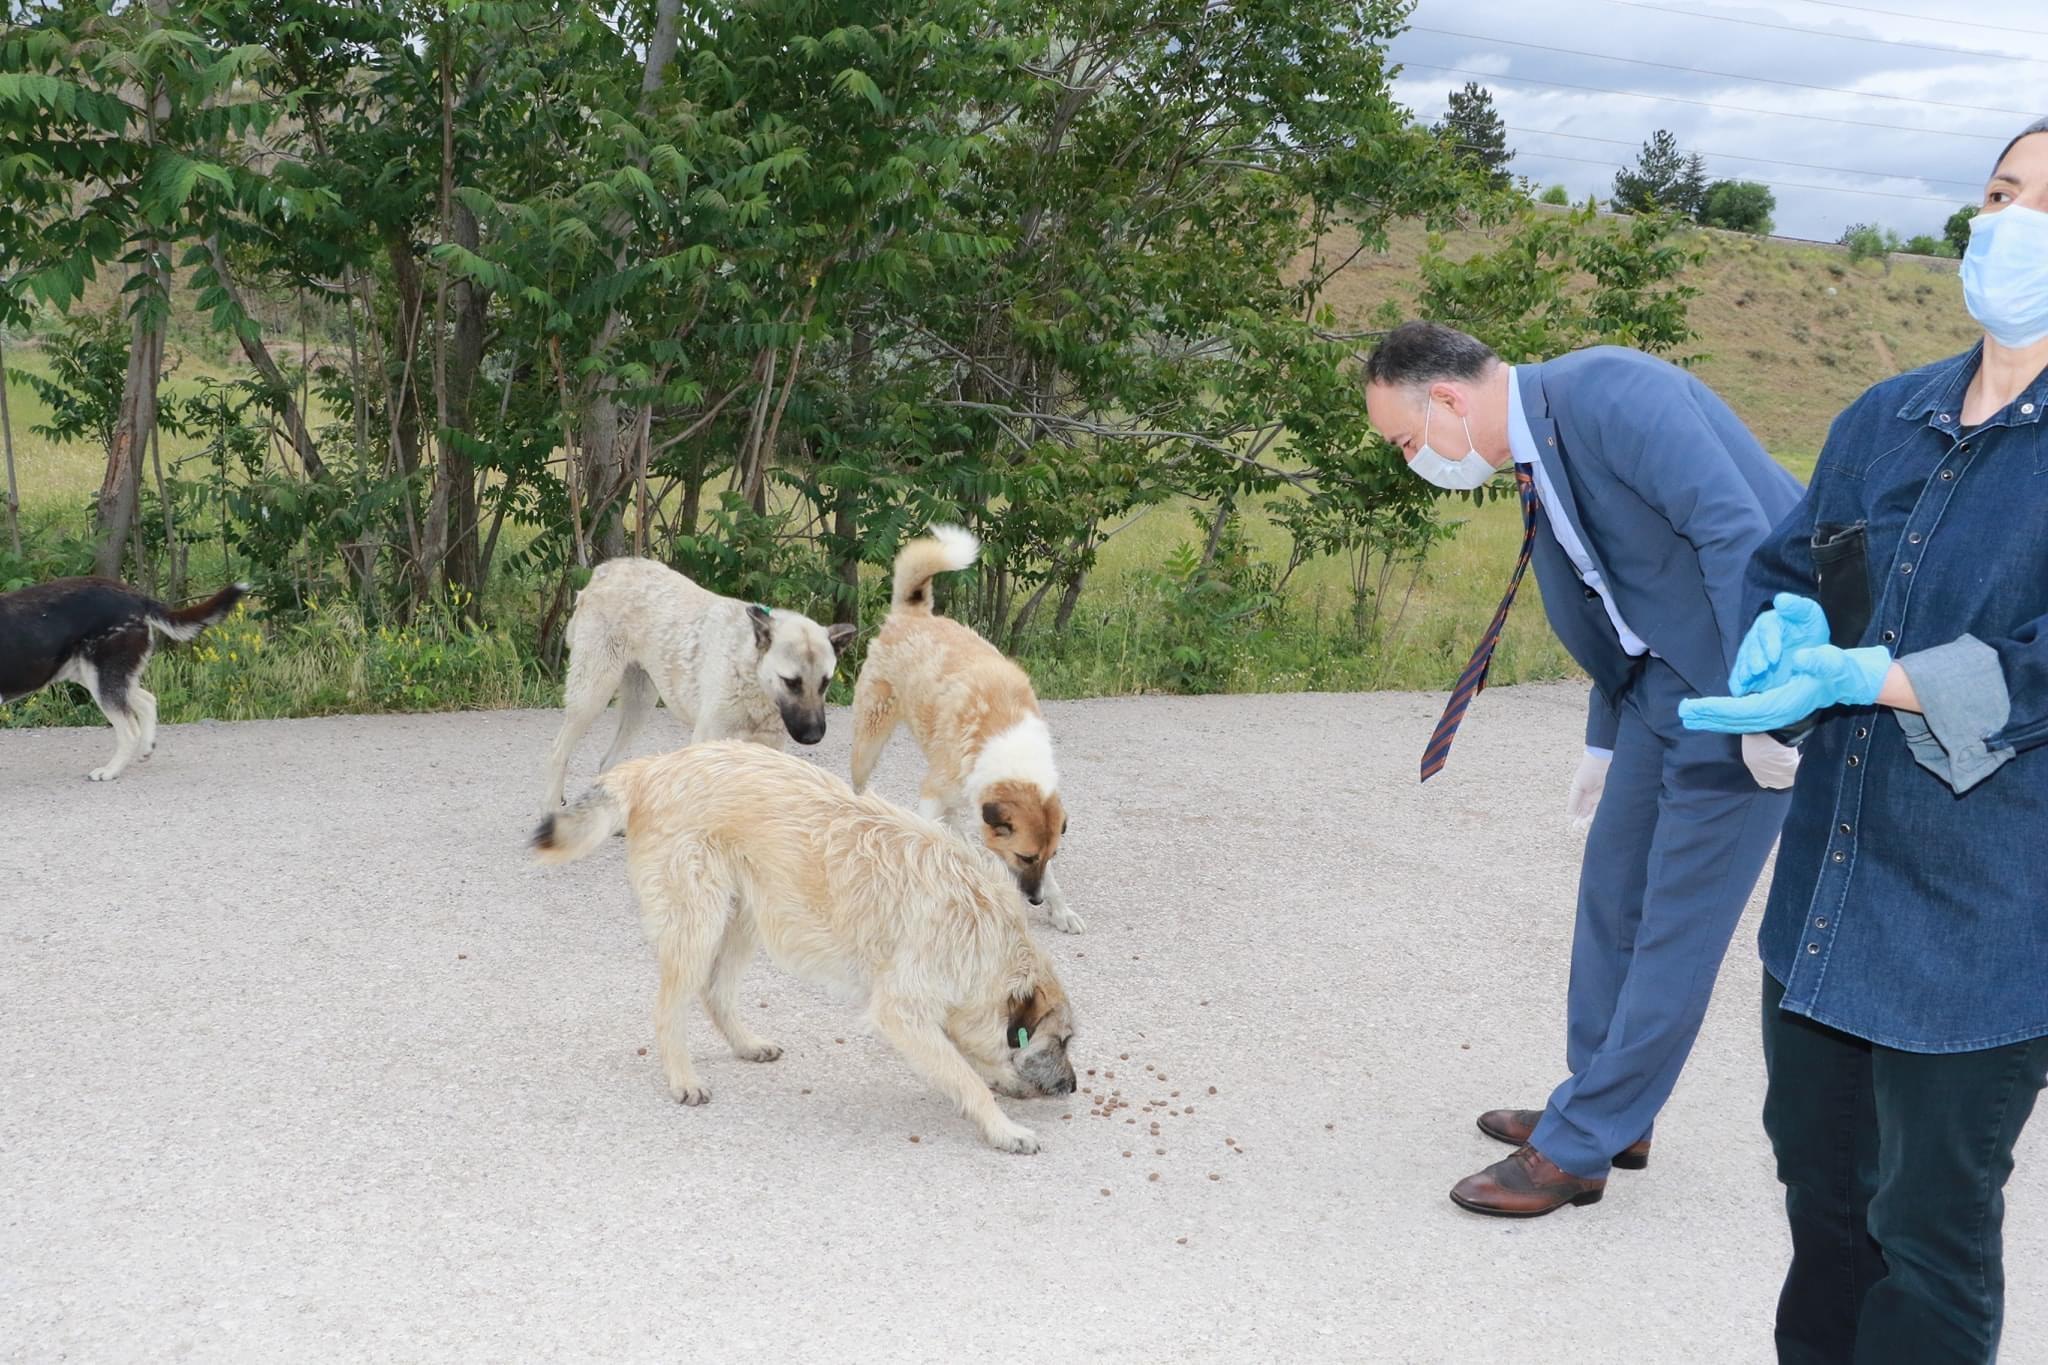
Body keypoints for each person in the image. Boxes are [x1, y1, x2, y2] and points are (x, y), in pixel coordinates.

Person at [1680, 117, 2048, 1363]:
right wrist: (1777, 653)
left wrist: (1877, 676)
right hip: (1828, 903)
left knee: (1926, 1235)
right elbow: (1792, 564)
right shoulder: (1885, 416)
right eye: (2000, 191)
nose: (2010, 223)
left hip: (1982, 924)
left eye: (2045, 204)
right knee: (1822, 1212)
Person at [1362, 322, 1805, 1216]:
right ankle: (1607, 1104)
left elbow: (1738, 538)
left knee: (1677, 922)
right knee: (1613, 891)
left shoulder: (1609, 393)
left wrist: (1773, 708)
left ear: (1446, 400)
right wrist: (1604, 738)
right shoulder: (1537, 447)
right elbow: (1616, 596)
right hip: (1661, 686)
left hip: (1742, 678)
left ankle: (1582, 1143)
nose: (1413, 459)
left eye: (1406, 441)